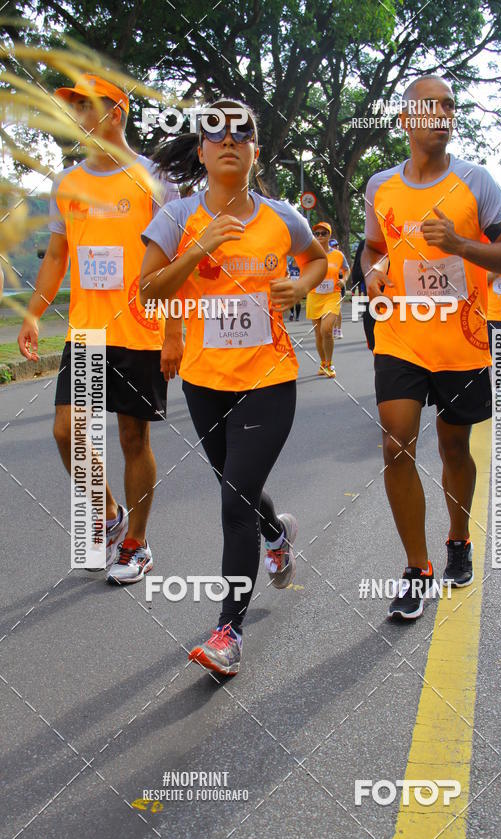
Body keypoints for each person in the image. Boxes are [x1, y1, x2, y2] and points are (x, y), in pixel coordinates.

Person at [140, 99, 326, 676]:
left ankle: (228, 632)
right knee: (236, 488)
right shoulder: (176, 218)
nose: (229, 139)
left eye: (241, 132)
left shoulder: (280, 216)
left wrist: (301, 285)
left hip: (270, 378)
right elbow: (148, 291)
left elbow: (318, 260)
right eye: (214, 131)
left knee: (233, 500)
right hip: (203, 380)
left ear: (254, 152)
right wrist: (200, 248)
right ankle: (279, 531)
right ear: (200, 150)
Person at [362, 74, 501, 620]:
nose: (444, 116)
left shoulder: (475, 182)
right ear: (407, 118)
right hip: (401, 334)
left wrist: (460, 245)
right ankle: (417, 568)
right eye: (431, 107)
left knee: (454, 449)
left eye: (450, 108)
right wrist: (372, 273)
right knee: (396, 445)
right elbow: (371, 249)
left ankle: (459, 537)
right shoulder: (380, 186)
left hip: (462, 341)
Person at [17, 74, 178, 583]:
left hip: (141, 328)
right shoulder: (68, 184)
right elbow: (59, 256)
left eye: (86, 106)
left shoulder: (156, 177)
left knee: (133, 438)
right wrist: (35, 311)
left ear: (116, 112)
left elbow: (175, 260)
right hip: (87, 330)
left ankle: (137, 543)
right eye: (74, 107)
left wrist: (174, 332)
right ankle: (110, 516)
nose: (78, 117)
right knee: (67, 432)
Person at [305, 223, 349, 377]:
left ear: (329, 235)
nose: (320, 236)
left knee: (326, 330)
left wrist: (344, 281)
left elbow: (347, 269)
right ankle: (323, 363)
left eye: (324, 233)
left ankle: (330, 365)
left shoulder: (338, 255)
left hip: (332, 295)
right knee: (318, 333)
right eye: (316, 233)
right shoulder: (309, 253)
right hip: (314, 296)